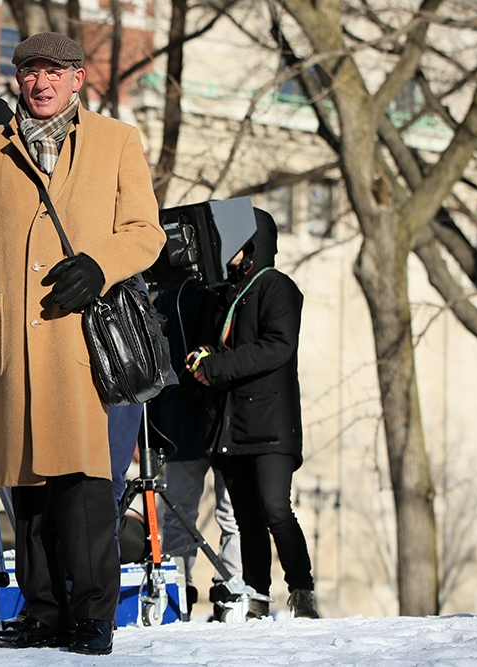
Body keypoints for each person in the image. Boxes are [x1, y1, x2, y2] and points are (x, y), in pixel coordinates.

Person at [0, 32, 165, 655]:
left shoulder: (118, 141)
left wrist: (100, 262)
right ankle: (41, 612)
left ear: (77, 78)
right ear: (17, 80)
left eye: (52, 72)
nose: (39, 83)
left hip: (81, 340)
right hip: (10, 339)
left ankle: (94, 617)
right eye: (28, 71)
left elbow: (147, 232)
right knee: (26, 485)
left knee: (87, 486)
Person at [186, 208, 319, 619]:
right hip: (232, 424)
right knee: (246, 519)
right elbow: (223, 347)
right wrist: (204, 358)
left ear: (250, 247)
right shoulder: (225, 294)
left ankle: (301, 591)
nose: (224, 254)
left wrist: (218, 366)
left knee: (276, 508)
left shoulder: (277, 287)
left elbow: (278, 345)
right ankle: (259, 597)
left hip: (270, 423)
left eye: (231, 244)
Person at [148, 287, 242, 618]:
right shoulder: (170, 295)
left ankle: (228, 590)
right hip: (184, 419)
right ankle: (181, 589)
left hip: (221, 417)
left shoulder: (229, 290)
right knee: (183, 513)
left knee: (228, 513)